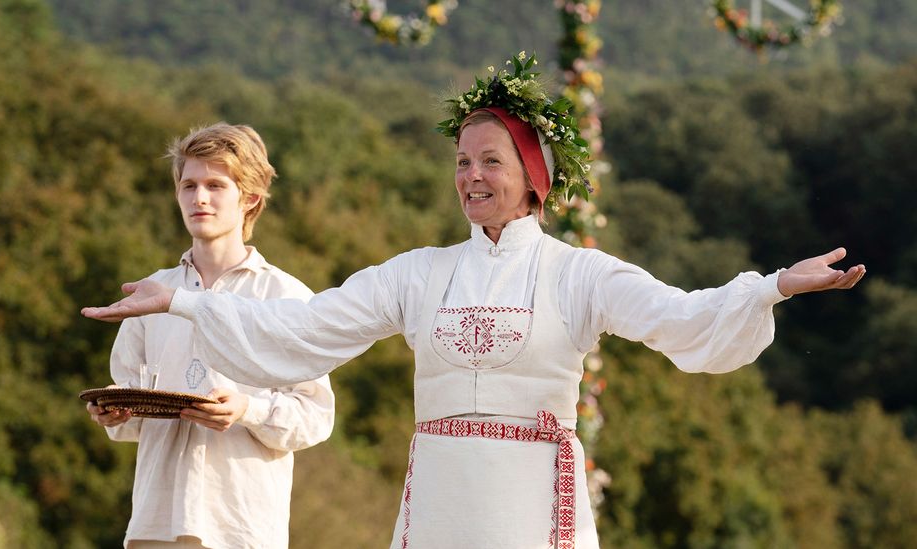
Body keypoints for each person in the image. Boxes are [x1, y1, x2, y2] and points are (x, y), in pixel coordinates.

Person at [83, 55, 864, 549]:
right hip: (441, 500)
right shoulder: (419, 273)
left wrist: (770, 286)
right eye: (462, 161)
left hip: (536, 503)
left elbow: (679, 317)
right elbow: (303, 328)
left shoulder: (577, 274)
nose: (471, 175)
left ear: (533, 176)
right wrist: (181, 305)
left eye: (491, 159)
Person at [85, 123, 335, 549]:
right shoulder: (150, 293)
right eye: (189, 185)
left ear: (251, 197)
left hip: (241, 527)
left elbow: (315, 417)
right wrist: (115, 412)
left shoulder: (285, 296)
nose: (198, 198)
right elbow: (129, 415)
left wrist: (248, 410)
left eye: (216, 185)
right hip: (155, 525)